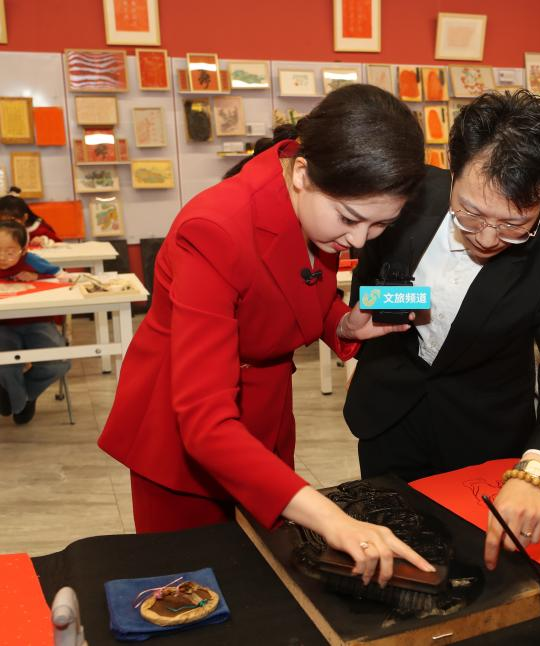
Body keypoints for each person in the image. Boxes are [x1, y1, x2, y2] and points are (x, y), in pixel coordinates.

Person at [98, 85, 435, 586]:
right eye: (350, 219)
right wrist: (331, 517)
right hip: (180, 431)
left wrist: (342, 324)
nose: (358, 240)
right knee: (189, 586)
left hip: (264, 413)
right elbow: (205, 420)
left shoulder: (315, 209)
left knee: (260, 581)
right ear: (302, 174)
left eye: (380, 224)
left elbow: (298, 289)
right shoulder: (214, 229)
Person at [344, 90, 540, 570]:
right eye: (470, 213)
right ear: (452, 167)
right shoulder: (405, 195)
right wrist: (361, 344)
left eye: (513, 225)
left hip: (483, 442)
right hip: (387, 416)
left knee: (473, 571)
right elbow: (371, 281)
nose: (486, 238)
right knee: (392, 559)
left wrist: (536, 471)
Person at [0, 220, 71, 424]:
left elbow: (63, 277)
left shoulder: (32, 261)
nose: (3, 257)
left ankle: (21, 397)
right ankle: (13, 394)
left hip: (38, 322)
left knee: (58, 363)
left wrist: (37, 276)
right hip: (3, 325)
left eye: (10, 252)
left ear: (23, 250)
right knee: (5, 364)